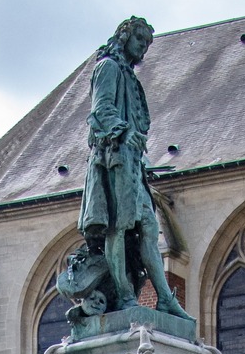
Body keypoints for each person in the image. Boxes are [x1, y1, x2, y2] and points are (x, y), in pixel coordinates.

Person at [80, 17, 193, 322]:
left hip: (132, 163)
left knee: (148, 228)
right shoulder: (107, 67)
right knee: (119, 226)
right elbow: (100, 110)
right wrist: (123, 130)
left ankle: (165, 299)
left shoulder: (128, 76)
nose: (143, 47)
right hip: (113, 159)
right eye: (140, 40)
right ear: (124, 36)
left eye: (147, 43)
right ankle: (125, 295)